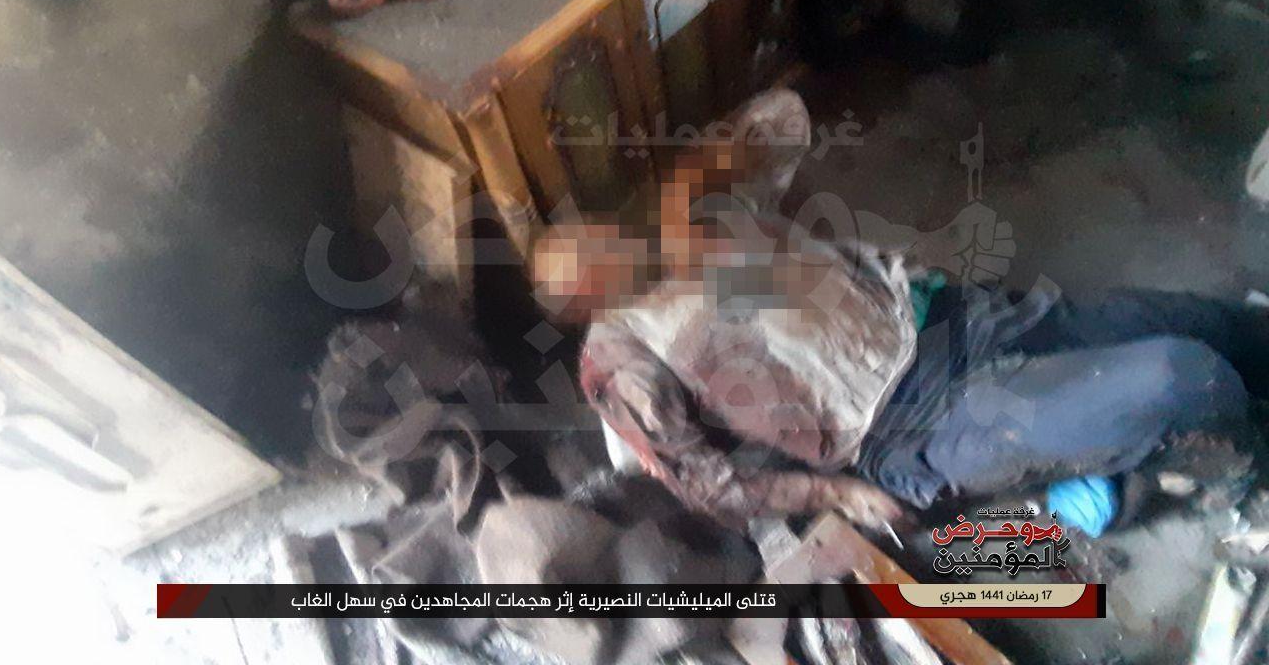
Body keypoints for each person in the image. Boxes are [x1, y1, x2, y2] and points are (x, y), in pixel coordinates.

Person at [529, 89, 1265, 533]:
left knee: (1197, 321)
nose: (619, 246)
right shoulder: (622, 359)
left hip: (954, 316)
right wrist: (840, 496)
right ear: (590, 301)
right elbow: (707, 485)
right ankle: (1246, 475)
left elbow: (784, 119)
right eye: (600, 264)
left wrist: (686, 182)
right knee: (1179, 376)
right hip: (913, 426)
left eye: (605, 234)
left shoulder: (688, 216)